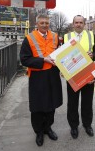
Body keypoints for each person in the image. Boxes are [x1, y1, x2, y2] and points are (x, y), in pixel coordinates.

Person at [20, 14, 63, 147]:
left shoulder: (56, 37)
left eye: (46, 23)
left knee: (51, 103)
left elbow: (61, 53)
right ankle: (39, 132)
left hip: (53, 75)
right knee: (38, 106)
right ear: (37, 24)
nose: (45, 25)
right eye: (42, 23)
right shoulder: (29, 38)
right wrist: (43, 60)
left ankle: (48, 128)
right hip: (37, 76)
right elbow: (24, 59)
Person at [64, 15, 95, 139]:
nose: (78, 24)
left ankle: (87, 125)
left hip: (87, 74)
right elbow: (61, 56)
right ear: (73, 24)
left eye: (81, 22)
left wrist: (93, 55)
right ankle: (74, 126)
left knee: (87, 102)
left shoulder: (91, 35)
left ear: (84, 24)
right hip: (72, 74)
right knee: (72, 103)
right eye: (76, 22)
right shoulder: (66, 37)